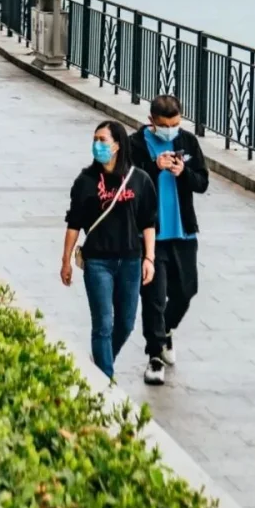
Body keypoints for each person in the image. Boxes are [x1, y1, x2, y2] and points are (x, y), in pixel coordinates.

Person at [62, 120, 157, 381]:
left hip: (130, 260)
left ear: (117, 145)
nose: (97, 145)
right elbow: (74, 224)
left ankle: (101, 363)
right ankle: (105, 379)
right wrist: (66, 260)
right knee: (103, 323)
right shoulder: (86, 181)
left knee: (125, 323)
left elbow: (149, 223)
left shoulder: (139, 180)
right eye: (95, 139)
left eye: (102, 140)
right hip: (97, 262)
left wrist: (149, 258)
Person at [130, 94, 209, 386]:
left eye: (175, 124)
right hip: (151, 235)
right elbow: (128, 184)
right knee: (154, 296)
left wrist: (183, 172)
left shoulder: (187, 142)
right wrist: (154, 166)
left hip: (183, 232)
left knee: (187, 290)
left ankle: (165, 332)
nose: (170, 130)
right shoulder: (135, 145)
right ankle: (154, 356)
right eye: (164, 126)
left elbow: (202, 182)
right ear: (151, 121)